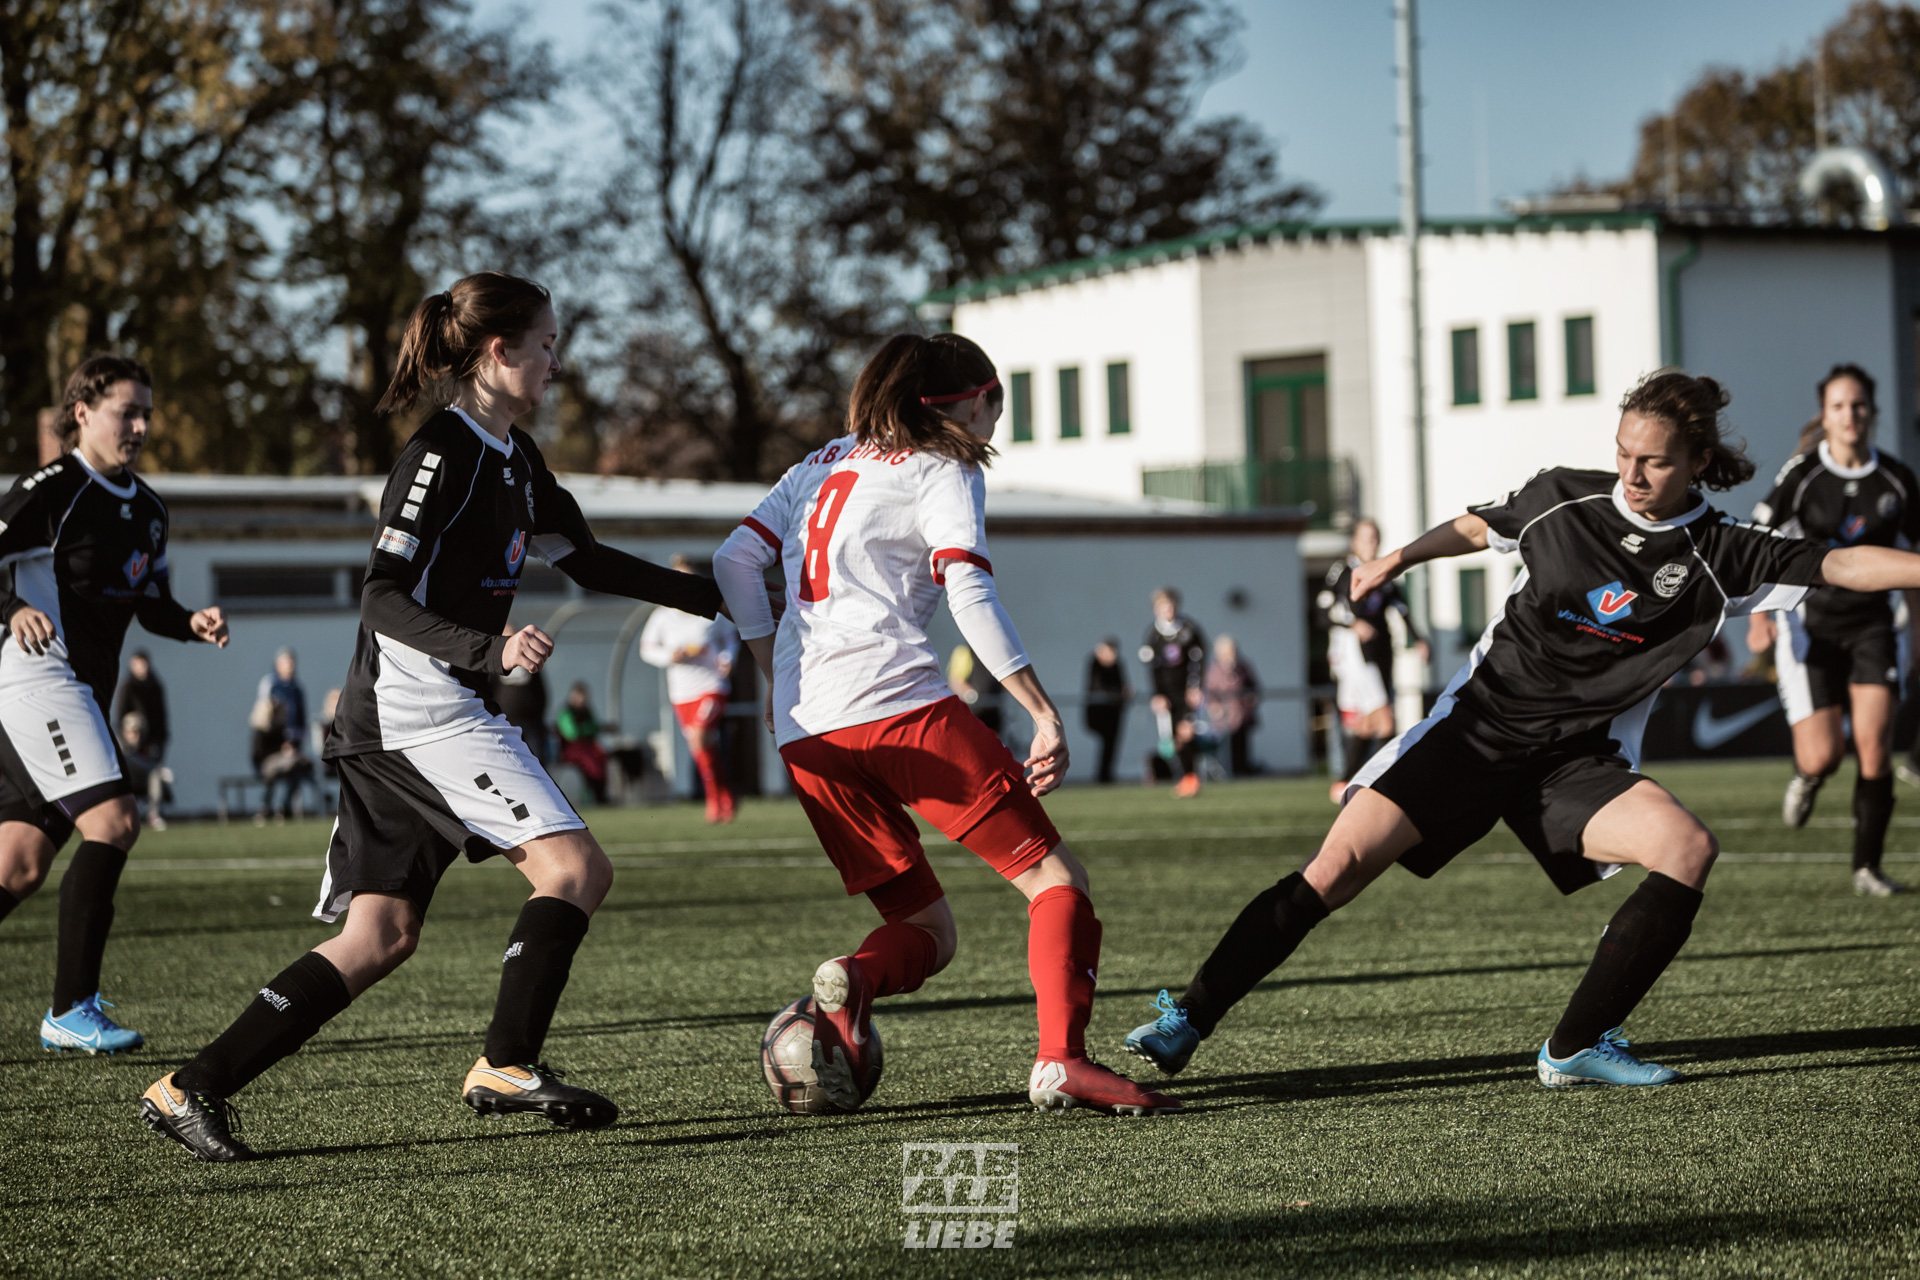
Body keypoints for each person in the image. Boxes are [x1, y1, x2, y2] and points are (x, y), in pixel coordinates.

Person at [1123, 369, 1920, 1090]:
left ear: (1698, 462)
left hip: (1575, 764)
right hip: (1475, 730)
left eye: (1654, 462)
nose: (1632, 474)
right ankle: (1187, 1017)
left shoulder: (1721, 553)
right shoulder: (1564, 497)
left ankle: (1575, 1046)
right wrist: (1397, 559)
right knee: (1332, 872)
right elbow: (1479, 527)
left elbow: (1839, 565)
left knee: (1687, 848)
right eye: (1624, 454)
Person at [140, 271, 728, 1161]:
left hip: (405, 721)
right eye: (546, 345)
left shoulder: (517, 458)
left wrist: (717, 597)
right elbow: (380, 596)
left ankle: (190, 1087)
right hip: (420, 711)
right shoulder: (438, 453)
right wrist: (489, 650)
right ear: (498, 350)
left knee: (378, 937)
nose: (557, 363)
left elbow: (589, 561)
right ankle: (507, 1062)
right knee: (574, 870)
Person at [712, 332, 1179, 1116]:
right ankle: (1061, 1060)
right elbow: (969, 593)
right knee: (1055, 880)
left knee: (927, 930)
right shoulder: (944, 465)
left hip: (806, 733)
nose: (995, 420)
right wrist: (1040, 710)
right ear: (971, 402)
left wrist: (771, 673)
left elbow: (733, 560)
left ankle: (855, 976)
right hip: (900, 711)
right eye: (997, 402)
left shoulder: (820, 461)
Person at [0, 354, 230, 1054]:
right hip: (39, 678)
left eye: (146, 414)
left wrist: (189, 621)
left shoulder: (150, 511)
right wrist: (12, 608)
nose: (139, 426)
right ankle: (71, 1009)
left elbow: (150, 601)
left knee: (18, 864)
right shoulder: (50, 491)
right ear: (82, 413)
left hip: (78, 696)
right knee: (115, 819)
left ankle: (70, 1009)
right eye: (126, 412)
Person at [1747, 364, 1918, 896]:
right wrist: (1758, 618)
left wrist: (1918, 634)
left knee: (1875, 747)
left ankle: (1867, 869)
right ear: (1824, 414)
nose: (1850, 415)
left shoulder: (1896, 480)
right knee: (1823, 754)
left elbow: (1914, 566)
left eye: (1859, 405)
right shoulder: (1801, 476)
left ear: (1873, 412)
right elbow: (1755, 545)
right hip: (1810, 628)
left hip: (1873, 627)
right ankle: (1809, 775)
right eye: (1839, 406)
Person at [1318, 518, 1428, 802]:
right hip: (1355, 656)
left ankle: (1345, 780)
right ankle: (1382, 782)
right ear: (1354, 541)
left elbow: (1400, 607)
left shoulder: (1382, 571)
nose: (1371, 543)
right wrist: (1352, 624)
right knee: (1386, 721)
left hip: (1380, 654)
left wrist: (1419, 639)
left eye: (1375, 538)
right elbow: (1323, 611)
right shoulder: (1343, 570)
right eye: (1366, 538)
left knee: (1368, 724)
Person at [639, 560, 740, 822]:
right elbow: (646, 649)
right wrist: (670, 656)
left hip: (712, 685)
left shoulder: (711, 610)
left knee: (700, 735)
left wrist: (728, 659)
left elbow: (730, 638)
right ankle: (725, 796)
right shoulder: (662, 616)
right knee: (701, 747)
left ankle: (715, 800)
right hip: (682, 693)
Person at [1139, 588, 1206, 797]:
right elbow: (1153, 669)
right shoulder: (1153, 635)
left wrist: (1195, 687)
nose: (1168, 609)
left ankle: (1192, 778)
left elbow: (1199, 660)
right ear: (1156, 609)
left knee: (1186, 731)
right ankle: (1185, 777)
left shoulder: (1189, 630)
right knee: (1172, 740)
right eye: (1163, 606)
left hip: (1186, 692)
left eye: (1171, 605)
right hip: (1167, 696)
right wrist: (1156, 695)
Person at [252, 648, 314, 820]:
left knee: (299, 766)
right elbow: (263, 722)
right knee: (286, 766)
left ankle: (284, 807)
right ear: (278, 665)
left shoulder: (297, 689)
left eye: (292, 664)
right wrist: (282, 743)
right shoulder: (270, 685)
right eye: (286, 664)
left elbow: (301, 722)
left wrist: (293, 744)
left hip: (291, 750)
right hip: (271, 754)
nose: (290, 667)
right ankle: (265, 806)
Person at [1203, 635, 1261, 777]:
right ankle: (1226, 774)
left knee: (1242, 748)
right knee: (1226, 749)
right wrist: (1214, 706)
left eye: (1233, 651)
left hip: (1242, 716)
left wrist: (1251, 699)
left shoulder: (1243, 667)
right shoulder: (1214, 670)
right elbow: (1209, 692)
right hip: (1224, 719)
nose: (1231, 655)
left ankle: (1242, 773)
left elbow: (1253, 687)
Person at [1083, 638, 1131, 785]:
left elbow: (1123, 684)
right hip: (1099, 713)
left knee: (1111, 744)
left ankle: (1107, 774)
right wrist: (1118, 693)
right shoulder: (1095, 664)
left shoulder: (1117, 665)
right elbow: (1098, 687)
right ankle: (1102, 775)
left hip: (1114, 712)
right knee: (1105, 743)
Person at [555, 682, 610, 805]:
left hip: (588, 747)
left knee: (601, 756)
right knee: (590, 762)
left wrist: (589, 729)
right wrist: (589, 729)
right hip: (571, 749)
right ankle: (595, 794)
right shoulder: (566, 712)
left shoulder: (587, 711)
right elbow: (572, 733)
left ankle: (601, 794)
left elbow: (594, 727)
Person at [112, 650, 168, 762]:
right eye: (138, 664)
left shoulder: (155, 686)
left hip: (152, 742)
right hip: (131, 745)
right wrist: (125, 737)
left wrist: (161, 740)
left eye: (144, 664)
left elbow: (161, 714)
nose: (142, 668)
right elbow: (120, 714)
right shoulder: (127, 687)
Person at [119, 711, 172, 830]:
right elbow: (130, 759)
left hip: (142, 783)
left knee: (155, 775)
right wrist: (157, 769)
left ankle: (153, 816)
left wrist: (157, 770)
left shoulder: (147, 747)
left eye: (138, 732)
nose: (135, 736)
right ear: (124, 732)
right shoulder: (119, 747)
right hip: (123, 784)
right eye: (132, 732)